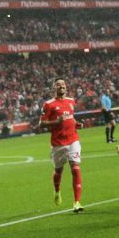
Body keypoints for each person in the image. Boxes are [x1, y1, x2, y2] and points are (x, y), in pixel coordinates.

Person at [40, 78, 84, 213]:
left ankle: (77, 202)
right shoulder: (48, 104)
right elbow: (42, 123)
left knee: (75, 168)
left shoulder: (71, 101)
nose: (61, 86)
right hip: (58, 143)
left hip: (73, 140)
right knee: (58, 171)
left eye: (63, 84)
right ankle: (57, 190)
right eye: (58, 84)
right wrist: (56, 122)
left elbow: (71, 116)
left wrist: (76, 124)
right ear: (54, 88)